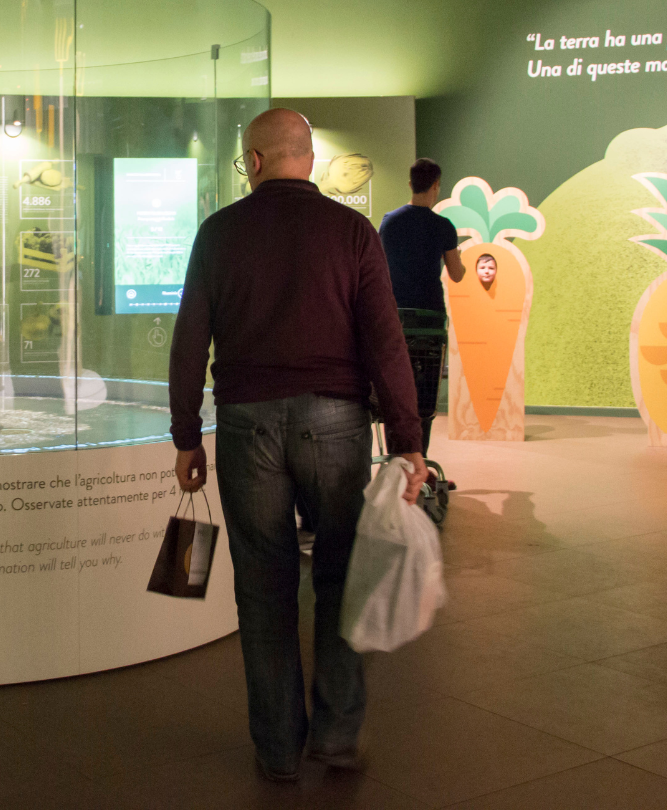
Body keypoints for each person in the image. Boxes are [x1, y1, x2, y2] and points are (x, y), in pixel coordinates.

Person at [169, 108, 425, 782]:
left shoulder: (219, 234)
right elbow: (385, 339)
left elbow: (190, 339)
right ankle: (335, 736)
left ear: (253, 162)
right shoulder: (352, 231)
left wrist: (186, 437)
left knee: (262, 586)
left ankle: (278, 749)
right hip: (338, 426)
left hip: (247, 425)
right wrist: (408, 441)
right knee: (342, 579)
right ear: (307, 159)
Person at [378, 157, 466, 452]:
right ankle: (420, 458)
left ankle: (396, 460)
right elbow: (457, 274)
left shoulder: (390, 222)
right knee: (425, 397)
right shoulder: (443, 227)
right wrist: (457, 256)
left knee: (394, 390)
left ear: (409, 184)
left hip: (396, 319)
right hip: (429, 321)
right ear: (436, 186)